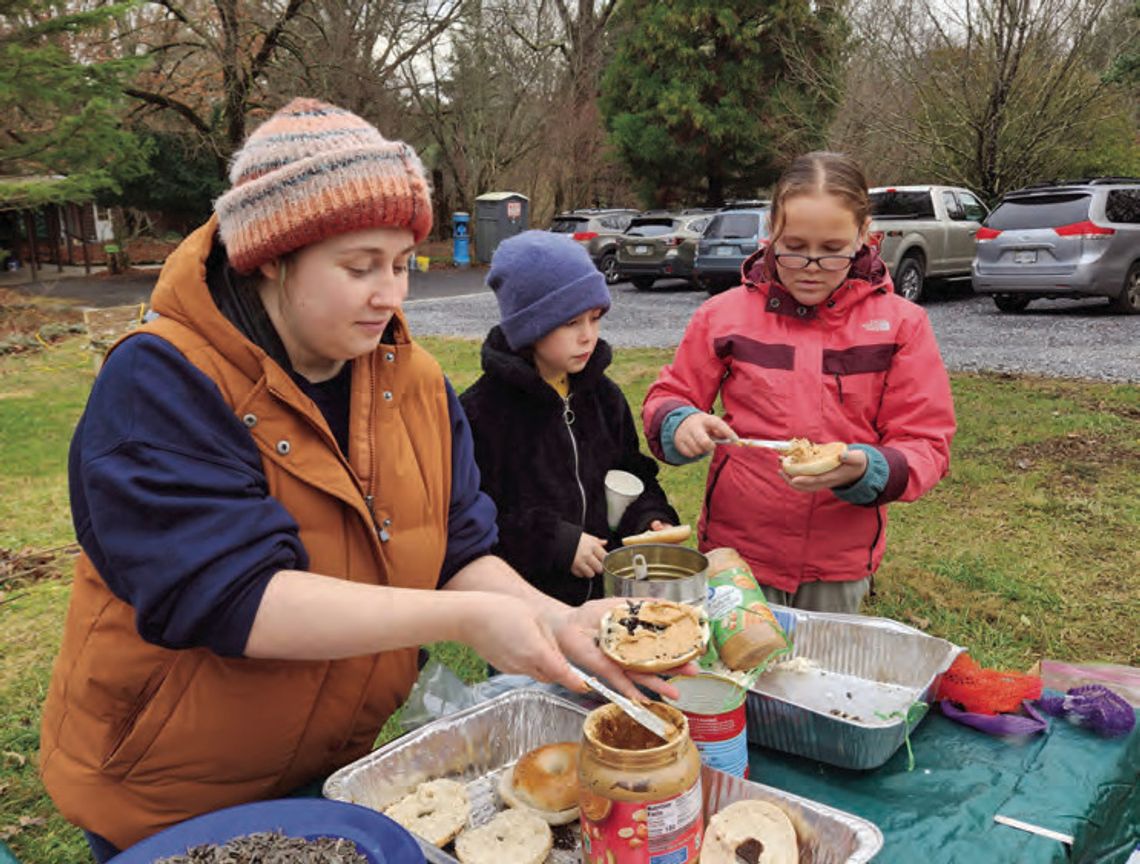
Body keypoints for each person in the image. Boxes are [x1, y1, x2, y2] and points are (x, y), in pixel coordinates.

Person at [38, 99, 686, 861]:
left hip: (323, 777)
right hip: (168, 796)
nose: (392, 295)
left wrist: (553, 619)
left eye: (403, 264)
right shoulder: (161, 382)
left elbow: (457, 550)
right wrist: (460, 620)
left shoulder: (412, 382)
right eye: (359, 268)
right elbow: (234, 598)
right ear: (271, 258)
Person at [643, 151, 955, 613]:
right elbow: (669, 396)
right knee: (736, 674)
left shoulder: (901, 325)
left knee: (819, 678)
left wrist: (869, 469)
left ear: (866, 237)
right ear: (769, 232)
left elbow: (927, 442)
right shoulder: (722, 316)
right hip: (737, 555)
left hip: (839, 561)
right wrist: (679, 423)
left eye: (832, 251)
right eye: (794, 247)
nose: (811, 265)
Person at [460, 230, 680, 606]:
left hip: (604, 604)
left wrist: (649, 518)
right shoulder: (482, 412)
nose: (588, 336)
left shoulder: (604, 397)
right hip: (526, 610)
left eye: (595, 319)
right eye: (571, 323)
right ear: (529, 327)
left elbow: (632, 474)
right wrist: (556, 543)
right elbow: (477, 516)